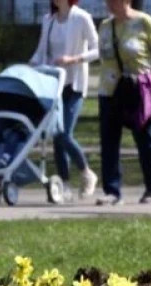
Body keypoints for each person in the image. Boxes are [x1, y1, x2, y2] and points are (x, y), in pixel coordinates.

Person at [96, 0, 151, 205]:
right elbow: (103, 56)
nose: (109, 4)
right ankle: (112, 191)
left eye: (114, 0)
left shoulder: (144, 22)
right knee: (109, 142)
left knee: (144, 139)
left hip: (138, 90)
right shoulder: (105, 26)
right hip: (109, 91)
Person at [29, 0, 100, 198]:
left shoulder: (81, 18)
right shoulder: (48, 20)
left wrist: (75, 59)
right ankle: (65, 184)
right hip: (53, 86)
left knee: (63, 133)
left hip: (74, 85)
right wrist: (31, 64)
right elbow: (41, 51)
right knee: (56, 137)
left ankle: (87, 173)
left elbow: (98, 49)